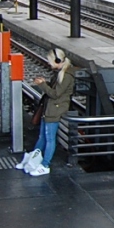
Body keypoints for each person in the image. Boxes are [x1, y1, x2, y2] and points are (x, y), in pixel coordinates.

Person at [17, 49, 76, 177]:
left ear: (57, 61)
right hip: (50, 108)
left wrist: (43, 85)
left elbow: (55, 94)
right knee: (42, 136)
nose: (49, 63)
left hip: (55, 109)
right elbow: (56, 89)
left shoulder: (66, 76)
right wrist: (46, 83)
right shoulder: (61, 73)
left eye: (50, 61)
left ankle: (45, 165)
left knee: (49, 138)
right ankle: (33, 160)